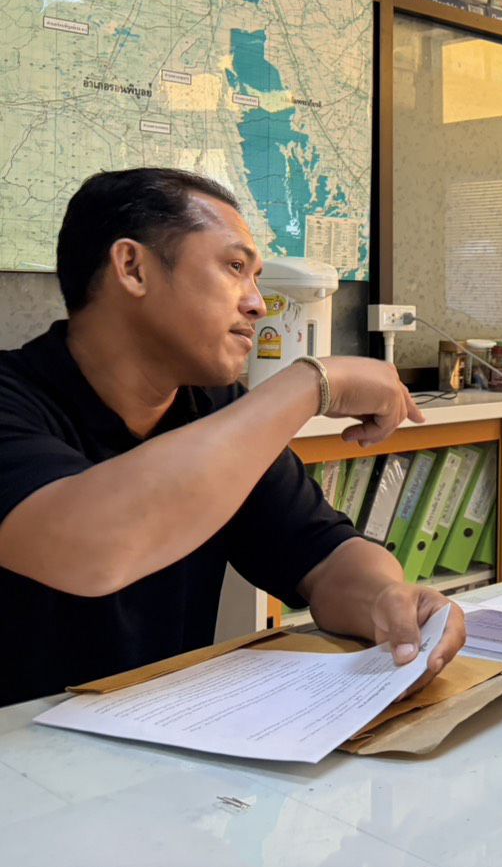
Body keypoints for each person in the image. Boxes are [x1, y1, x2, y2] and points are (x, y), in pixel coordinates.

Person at [0, 168, 467, 706]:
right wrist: (311, 384)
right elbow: (90, 549)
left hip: (160, 734)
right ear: (132, 268)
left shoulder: (216, 410)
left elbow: (324, 555)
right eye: (235, 267)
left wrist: (389, 599)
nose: (258, 304)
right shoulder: (13, 400)